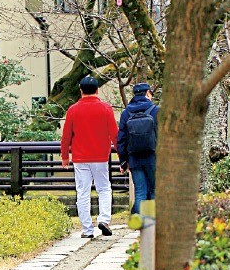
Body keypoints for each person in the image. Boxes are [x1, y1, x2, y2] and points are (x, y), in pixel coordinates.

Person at [61, 74, 118, 238]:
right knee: (104, 188)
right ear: (97, 90)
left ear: (81, 91)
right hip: (101, 157)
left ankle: (87, 229)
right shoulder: (106, 109)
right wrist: (122, 154)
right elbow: (115, 135)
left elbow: (66, 136)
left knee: (83, 192)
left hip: (80, 158)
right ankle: (104, 219)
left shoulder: (73, 110)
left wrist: (65, 156)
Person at [116, 82, 159, 214]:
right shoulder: (156, 110)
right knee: (154, 190)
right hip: (153, 157)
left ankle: (141, 222)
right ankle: (153, 222)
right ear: (147, 93)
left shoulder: (126, 113)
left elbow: (121, 139)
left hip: (134, 158)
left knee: (140, 191)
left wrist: (123, 161)